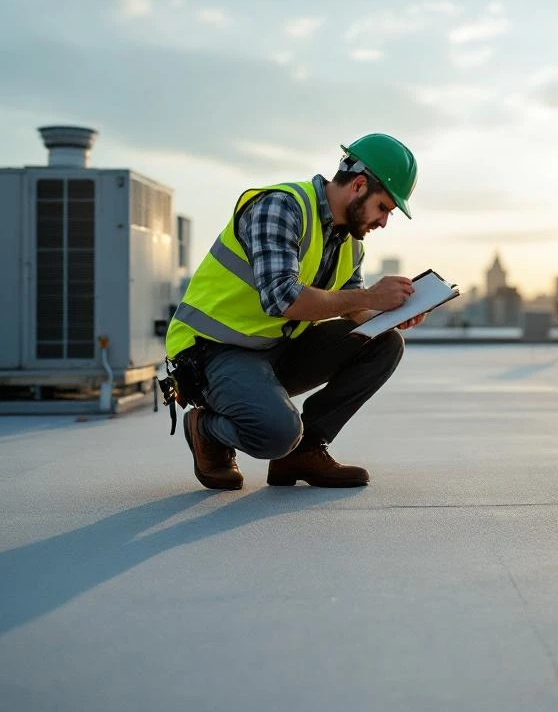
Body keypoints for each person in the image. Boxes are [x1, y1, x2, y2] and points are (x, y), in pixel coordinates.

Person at [162, 133, 425, 490]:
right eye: (383, 208)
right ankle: (206, 430)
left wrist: (391, 316)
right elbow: (283, 299)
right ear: (359, 185)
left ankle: (303, 452)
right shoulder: (281, 208)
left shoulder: (349, 243)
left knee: (385, 343)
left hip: (271, 351)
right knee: (276, 433)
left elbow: (354, 308)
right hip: (212, 351)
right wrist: (371, 297)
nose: (383, 223)